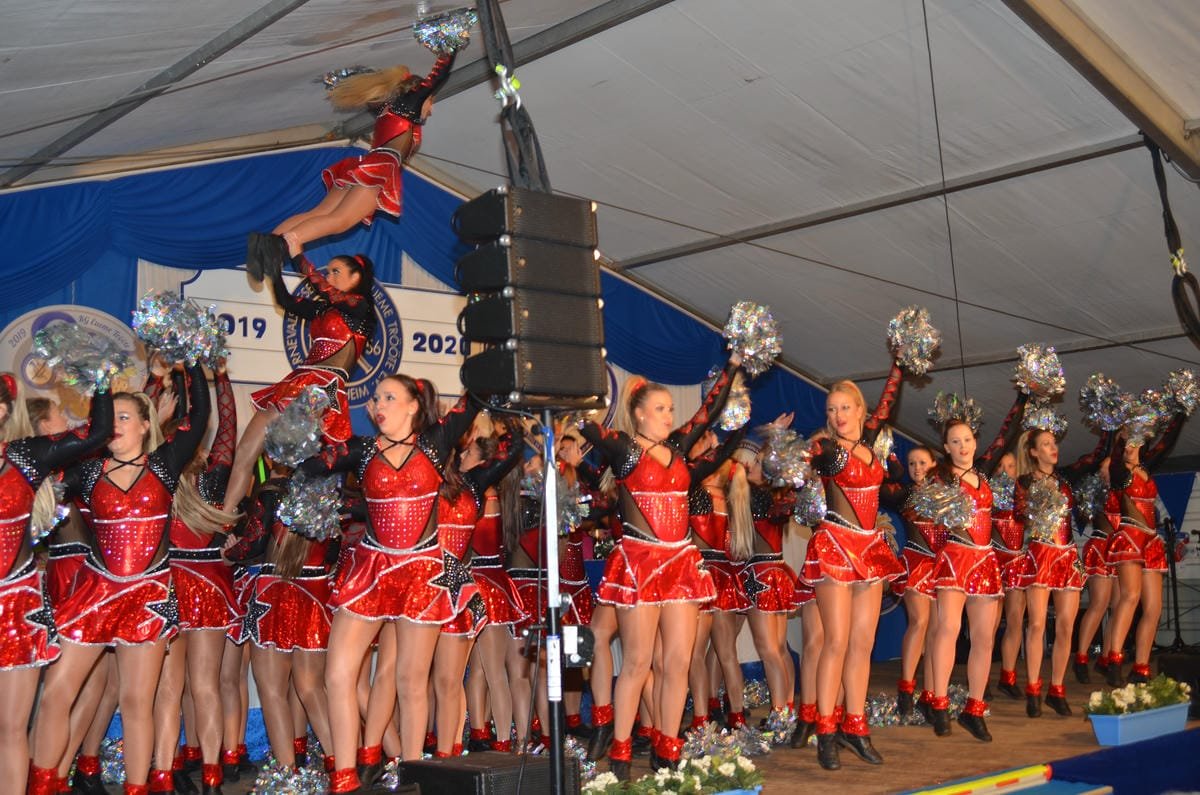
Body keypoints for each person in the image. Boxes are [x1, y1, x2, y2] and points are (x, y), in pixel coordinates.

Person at [29, 365, 209, 795]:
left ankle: (136, 788)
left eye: (125, 417)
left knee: (135, 702)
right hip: (95, 591)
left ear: (146, 426)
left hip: (148, 595)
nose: (116, 425)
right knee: (56, 693)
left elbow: (200, 416)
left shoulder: (164, 465)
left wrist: (194, 362)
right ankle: (43, 784)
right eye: (110, 418)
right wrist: (99, 380)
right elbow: (36, 491)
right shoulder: (88, 472)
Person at [296, 376, 478, 793]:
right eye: (376, 398)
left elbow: (475, 399)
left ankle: (413, 777)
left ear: (413, 405)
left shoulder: (434, 443)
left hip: (421, 572)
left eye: (390, 397)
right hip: (370, 571)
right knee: (337, 675)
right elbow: (309, 466)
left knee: (411, 682)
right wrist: (298, 434)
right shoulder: (361, 451)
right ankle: (345, 779)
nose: (378, 404)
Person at [579, 356, 739, 780]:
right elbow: (587, 426)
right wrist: (576, 398)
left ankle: (668, 749)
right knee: (637, 662)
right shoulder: (625, 449)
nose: (669, 416)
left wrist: (735, 363)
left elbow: (710, 410)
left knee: (678, 662)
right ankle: (620, 750)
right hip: (640, 563)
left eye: (670, 409)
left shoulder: (679, 448)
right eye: (660, 409)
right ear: (639, 414)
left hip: (681, 563)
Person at [0, 375, 112, 794]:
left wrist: (101, 375)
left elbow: (98, 433)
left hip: (16, 609)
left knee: (11, 729)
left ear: (1, 411)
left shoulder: (26, 457)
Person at [245, 52, 456, 273]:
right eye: (430, 101)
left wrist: (350, 77)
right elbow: (438, 76)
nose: (431, 109)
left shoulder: (388, 107)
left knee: (319, 214)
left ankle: (265, 247)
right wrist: (451, 49)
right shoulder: (409, 106)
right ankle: (282, 244)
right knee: (340, 221)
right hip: (380, 169)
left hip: (365, 165)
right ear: (419, 94)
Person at [801, 362, 906, 771]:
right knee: (837, 642)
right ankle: (826, 730)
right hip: (835, 545)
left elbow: (889, 400)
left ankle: (855, 726)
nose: (838, 415)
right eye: (831, 409)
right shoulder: (827, 450)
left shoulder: (870, 442)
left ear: (861, 410)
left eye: (845, 407)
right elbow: (807, 460)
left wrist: (900, 360)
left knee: (863, 642)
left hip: (870, 547)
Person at [221, 253, 376, 516]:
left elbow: (327, 291)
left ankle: (284, 521)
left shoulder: (360, 309)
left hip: (325, 387)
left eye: (336, 271)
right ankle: (223, 520)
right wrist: (274, 271)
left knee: (290, 463)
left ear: (356, 277)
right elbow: (286, 301)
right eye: (328, 271)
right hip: (299, 380)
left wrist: (297, 256)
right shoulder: (324, 309)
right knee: (246, 449)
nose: (329, 277)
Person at [151, 364, 240, 793]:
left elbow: (129, 433)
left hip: (169, 582)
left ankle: (164, 774)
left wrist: (157, 388)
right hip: (208, 584)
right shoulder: (214, 476)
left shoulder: (157, 473)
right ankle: (211, 776)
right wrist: (220, 378)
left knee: (169, 690)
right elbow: (229, 429)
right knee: (206, 687)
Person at [1013, 425, 1107, 718]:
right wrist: (1038, 505)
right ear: (1033, 452)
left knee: (1067, 625)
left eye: (1054, 443)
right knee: (1037, 624)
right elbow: (1019, 513)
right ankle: (1033, 689)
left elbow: (1092, 459)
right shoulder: (1025, 481)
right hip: (1041, 553)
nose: (1053, 448)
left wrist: (1110, 430)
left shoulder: (1064, 479)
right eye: (1046, 444)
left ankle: (1057, 689)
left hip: (1067, 554)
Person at [1103, 408, 1187, 686]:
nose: (1130, 447)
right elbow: (1116, 456)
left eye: (1134, 441)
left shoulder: (1146, 468)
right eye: (1126, 442)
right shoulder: (1119, 472)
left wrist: (1180, 412)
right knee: (1130, 596)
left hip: (1150, 540)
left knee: (1154, 607)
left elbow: (1167, 443)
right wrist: (1118, 435)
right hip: (1129, 537)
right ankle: (1114, 659)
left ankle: (1141, 667)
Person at [887, 446, 939, 721]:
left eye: (922, 462)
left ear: (934, 463)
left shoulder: (947, 494)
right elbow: (883, 488)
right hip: (916, 563)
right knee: (919, 622)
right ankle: (906, 689)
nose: (917, 468)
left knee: (936, 631)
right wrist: (891, 466)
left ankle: (930, 694)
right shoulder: (905, 494)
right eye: (911, 464)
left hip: (941, 565)